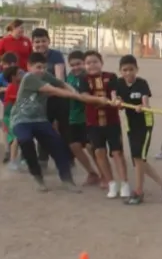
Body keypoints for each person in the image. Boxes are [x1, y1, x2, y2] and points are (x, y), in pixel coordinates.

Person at [8, 55, 108, 192]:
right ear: (29, 67)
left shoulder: (45, 75)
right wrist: (78, 96)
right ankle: (38, 177)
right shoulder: (29, 78)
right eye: (38, 67)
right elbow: (53, 90)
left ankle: (67, 180)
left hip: (40, 119)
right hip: (21, 119)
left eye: (44, 67)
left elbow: (61, 84)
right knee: (26, 141)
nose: (41, 70)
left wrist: (73, 91)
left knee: (58, 145)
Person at [115, 54, 162, 205]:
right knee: (138, 159)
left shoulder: (142, 83)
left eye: (131, 69)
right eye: (125, 70)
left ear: (137, 69)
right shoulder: (119, 83)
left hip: (144, 124)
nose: (128, 73)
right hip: (130, 124)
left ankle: (138, 192)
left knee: (139, 159)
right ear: (120, 71)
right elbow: (116, 98)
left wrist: (142, 106)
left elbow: (145, 102)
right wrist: (118, 102)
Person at [79, 51, 131, 200]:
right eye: (88, 63)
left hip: (112, 122)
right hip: (93, 123)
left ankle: (125, 183)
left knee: (117, 153)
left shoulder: (111, 77)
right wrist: (99, 99)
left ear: (101, 63)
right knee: (99, 153)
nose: (92, 65)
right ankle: (111, 183)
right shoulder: (83, 79)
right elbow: (84, 96)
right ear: (85, 65)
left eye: (95, 61)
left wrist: (115, 100)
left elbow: (114, 93)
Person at [31, 28, 70, 167]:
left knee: (64, 129)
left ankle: (68, 158)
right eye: (37, 42)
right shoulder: (32, 58)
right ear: (32, 43)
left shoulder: (56, 55)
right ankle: (42, 159)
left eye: (43, 41)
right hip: (41, 100)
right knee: (43, 128)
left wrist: (51, 89)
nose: (40, 44)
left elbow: (60, 78)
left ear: (49, 41)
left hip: (58, 97)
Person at [64, 50, 100, 186]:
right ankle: (92, 173)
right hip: (73, 118)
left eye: (78, 64)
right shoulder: (69, 77)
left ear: (84, 63)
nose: (75, 67)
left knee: (92, 148)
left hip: (88, 118)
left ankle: (104, 174)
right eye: (72, 65)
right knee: (74, 146)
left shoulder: (89, 78)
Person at [0, 51, 19, 163]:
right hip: (8, 107)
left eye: (10, 64)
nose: (6, 66)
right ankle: (7, 151)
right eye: (5, 64)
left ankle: (17, 154)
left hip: (21, 107)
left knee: (18, 129)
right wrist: (4, 89)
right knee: (6, 129)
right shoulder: (1, 76)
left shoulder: (20, 74)